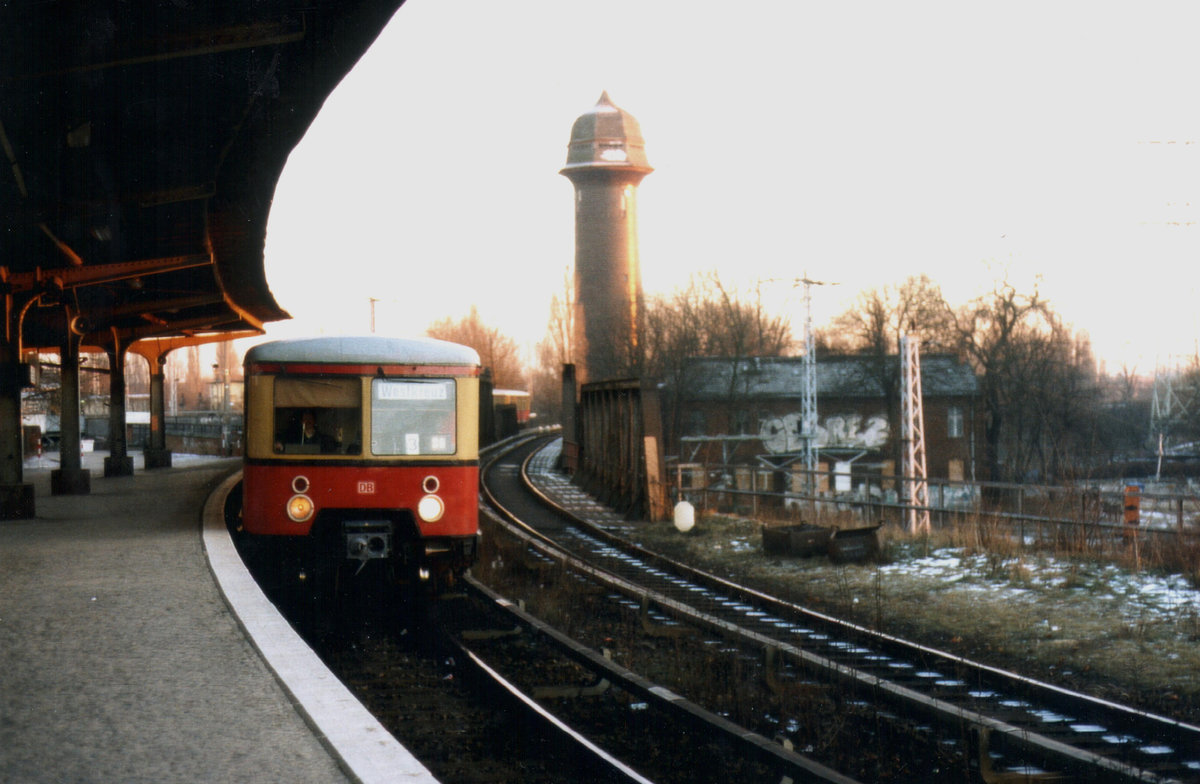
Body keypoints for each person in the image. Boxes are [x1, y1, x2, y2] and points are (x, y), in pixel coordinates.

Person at [275, 409, 341, 454]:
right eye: (305, 419)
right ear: (301, 422)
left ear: (314, 421)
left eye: (310, 419)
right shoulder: (294, 437)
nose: (307, 421)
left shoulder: (324, 439)